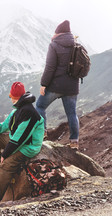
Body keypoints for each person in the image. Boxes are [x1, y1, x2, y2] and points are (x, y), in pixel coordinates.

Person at [0, 81, 45, 205]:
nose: (11, 99)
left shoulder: (29, 113)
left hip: (28, 147)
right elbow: (4, 126)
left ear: (18, 98)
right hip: (16, 141)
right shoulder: (17, 109)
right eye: (10, 97)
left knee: (5, 166)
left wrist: (5, 155)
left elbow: (19, 140)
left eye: (12, 97)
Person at [35, 20, 80, 149]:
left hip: (56, 85)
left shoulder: (54, 45)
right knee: (72, 114)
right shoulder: (75, 44)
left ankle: (42, 133)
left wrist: (44, 84)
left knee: (40, 106)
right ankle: (74, 141)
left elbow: (50, 67)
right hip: (72, 87)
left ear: (58, 32)